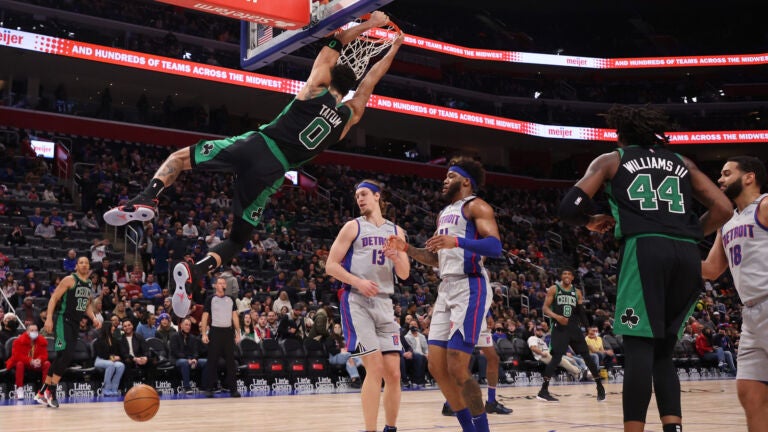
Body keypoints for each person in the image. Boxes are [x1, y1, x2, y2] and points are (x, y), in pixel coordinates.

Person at [102, 11, 405, 319]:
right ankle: (195, 271)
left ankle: (148, 197)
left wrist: (370, 25)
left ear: (335, 72)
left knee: (180, 158)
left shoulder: (317, 85)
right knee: (236, 239)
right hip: (274, 171)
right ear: (350, 90)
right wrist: (394, 46)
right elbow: (370, 80)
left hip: (257, 145)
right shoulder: (348, 118)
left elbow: (337, 40)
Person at [558, 105, 732, 432]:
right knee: (664, 352)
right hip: (686, 254)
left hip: (645, 249)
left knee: (639, 348)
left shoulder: (612, 160)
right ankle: (673, 428)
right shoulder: (682, 163)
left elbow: (569, 207)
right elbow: (723, 207)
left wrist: (590, 220)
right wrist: (689, 233)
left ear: (620, 134)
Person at [386, 157, 502, 432]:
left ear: (465, 181)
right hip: (447, 287)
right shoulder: (444, 214)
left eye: (450, 176)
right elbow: (436, 258)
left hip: (471, 286)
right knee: (436, 367)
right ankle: (468, 428)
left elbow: (495, 246)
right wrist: (407, 249)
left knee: (457, 367)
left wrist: (457, 241)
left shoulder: (477, 206)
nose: (444, 180)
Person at [326, 178, 410, 432]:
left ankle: (390, 428)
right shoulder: (353, 227)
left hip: (385, 304)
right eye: (357, 196)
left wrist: (396, 256)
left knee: (394, 374)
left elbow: (404, 274)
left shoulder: (397, 232)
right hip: (357, 302)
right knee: (375, 370)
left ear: (377, 196)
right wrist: (357, 282)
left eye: (363, 194)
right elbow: (330, 265)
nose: (359, 199)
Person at [702, 155, 768, 431]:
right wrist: (669, 257)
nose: (720, 179)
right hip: (751, 315)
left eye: (727, 173)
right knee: (749, 393)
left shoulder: (764, 205)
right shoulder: (726, 221)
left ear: (749, 177)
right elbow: (711, 269)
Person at [34, 256, 102, 407]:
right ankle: (51, 391)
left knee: (61, 356)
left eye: (87, 263)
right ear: (76, 266)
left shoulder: (89, 283)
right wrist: (49, 319)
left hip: (75, 324)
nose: (84, 265)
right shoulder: (69, 280)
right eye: (81, 262)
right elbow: (53, 299)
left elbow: (86, 305)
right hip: (62, 321)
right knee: (66, 355)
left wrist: (94, 318)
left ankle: (42, 392)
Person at [535, 268, 604, 402]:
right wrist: (557, 317)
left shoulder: (577, 292)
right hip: (559, 328)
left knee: (587, 356)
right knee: (556, 358)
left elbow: (581, 312)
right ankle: (543, 390)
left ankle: (600, 387)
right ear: (562, 276)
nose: (566, 276)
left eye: (569, 274)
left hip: (574, 327)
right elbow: (545, 308)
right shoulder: (554, 289)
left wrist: (588, 327)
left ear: (572, 277)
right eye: (564, 274)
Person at [200, 276, 241, 397]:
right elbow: (205, 317)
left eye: (224, 283)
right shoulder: (210, 299)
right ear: (215, 285)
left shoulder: (231, 299)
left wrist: (238, 333)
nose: (222, 284)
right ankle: (209, 388)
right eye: (220, 283)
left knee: (231, 362)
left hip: (228, 332)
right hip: (215, 332)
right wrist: (203, 334)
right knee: (212, 361)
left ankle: (233, 389)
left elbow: (234, 317)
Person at [6, 324, 50, 399]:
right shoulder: (18, 341)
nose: (34, 332)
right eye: (32, 330)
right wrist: (30, 361)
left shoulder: (41, 341)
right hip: (24, 363)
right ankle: (19, 388)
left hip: (36, 364)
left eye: (36, 330)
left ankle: (45, 389)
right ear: (27, 331)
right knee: (20, 364)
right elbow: (17, 356)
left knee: (47, 363)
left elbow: (44, 355)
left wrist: (39, 360)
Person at [170, 317, 207, 394]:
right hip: (177, 359)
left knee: (205, 361)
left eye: (189, 325)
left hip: (190, 359)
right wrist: (188, 359)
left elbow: (196, 351)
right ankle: (187, 387)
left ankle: (203, 386)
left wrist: (195, 359)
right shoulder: (174, 336)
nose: (188, 327)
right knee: (184, 362)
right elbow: (176, 352)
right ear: (181, 325)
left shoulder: (193, 338)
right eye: (186, 325)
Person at [119, 317, 156, 385]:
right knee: (127, 363)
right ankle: (128, 388)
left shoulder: (139, 337)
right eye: (125, 326)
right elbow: (124, 353)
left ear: (132, 326)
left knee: (151, 362)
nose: (127, 327)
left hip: (140, 358)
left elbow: (146, 350)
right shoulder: (121, 339)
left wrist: (146, 358)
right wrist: (134, 359)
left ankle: (151, 387)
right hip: (130, 360)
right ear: (123, 328)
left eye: (129, 325)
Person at [93, 319, 126, 396]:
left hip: (111, 360)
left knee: (121, 365)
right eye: (112, 326)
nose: (114, 328)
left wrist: (118, 357)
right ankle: (106, 388)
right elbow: (101, 354)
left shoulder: (114, 340)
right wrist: (112, 358)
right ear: (107, 328)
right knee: (110, 364)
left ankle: (114, 388)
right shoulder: (99, 340)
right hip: (99, 360)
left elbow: (117, 352)